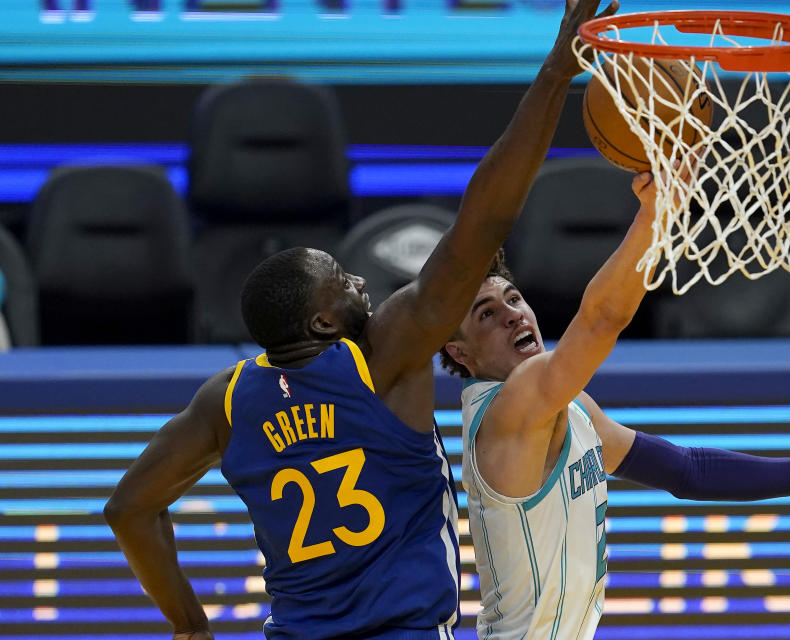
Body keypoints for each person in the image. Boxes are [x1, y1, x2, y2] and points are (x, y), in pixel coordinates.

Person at [102, 1, 620, 638]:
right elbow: (484, 221)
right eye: (342, 281)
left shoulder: (228, 399)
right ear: (322, 324)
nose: (361, 283)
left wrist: (190, 627)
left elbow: (129, 509)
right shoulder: (381, 357)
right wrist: (552, 77)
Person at [439, 172, 790, 640]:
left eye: (513, 298)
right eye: (486, 314)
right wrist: (653, 216)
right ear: (461, 354)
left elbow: (689, 472)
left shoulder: (572, 407)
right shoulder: (508, 410)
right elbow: (602, 318)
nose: (511, 316)